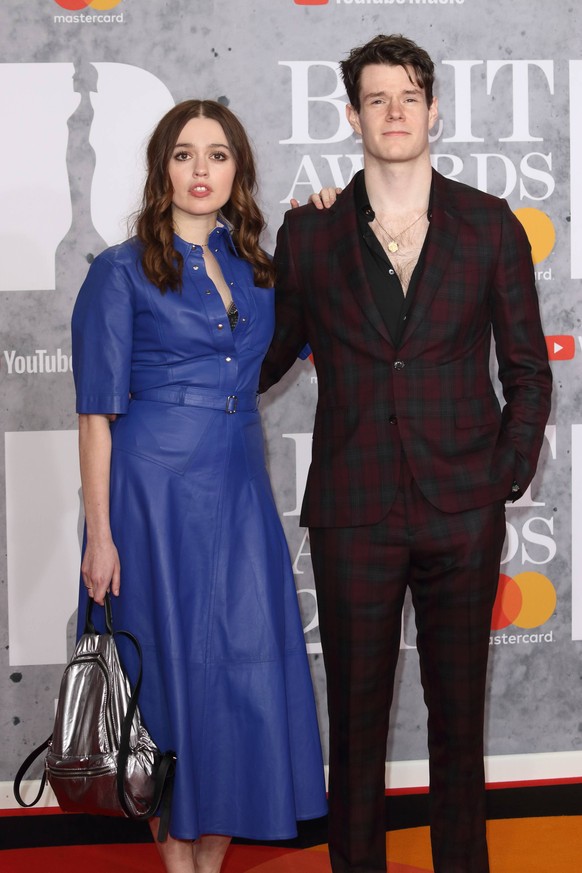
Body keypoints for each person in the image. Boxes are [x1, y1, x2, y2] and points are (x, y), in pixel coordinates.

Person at [260, 34, 552, 873]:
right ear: (351, 115)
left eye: (409, 97)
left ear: (433, 110)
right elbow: (271, 357)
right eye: (377, 99)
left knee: (460, 726)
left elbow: (529, 371)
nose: (395, 112)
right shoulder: (309, 234)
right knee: (353, 729)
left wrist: (503, 473)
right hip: (354, 514)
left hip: (463, 511)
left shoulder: (488, 224)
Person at [71, 99, 327, 873]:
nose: (202, 170)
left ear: (237, 171)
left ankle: (208, 865)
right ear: (163, 170)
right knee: (171, 695)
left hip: (240, 494)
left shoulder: (257, 267)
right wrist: (102, 533)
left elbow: (320, 307)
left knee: (240, 689)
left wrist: (323, 222)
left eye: (218, 155)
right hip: (151, 501)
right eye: (185, 155)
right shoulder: (118, 272)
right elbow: (94, 418)